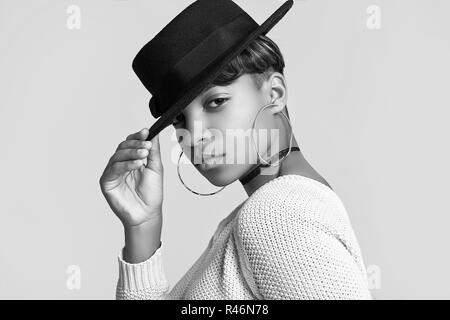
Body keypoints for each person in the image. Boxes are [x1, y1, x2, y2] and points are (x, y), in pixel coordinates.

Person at [99, 0, 372, 300]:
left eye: (216, 102)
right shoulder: (274, 210)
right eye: (180, 119)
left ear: (275, 93)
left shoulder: (276, 217)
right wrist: (143, 225)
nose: (195, 135)